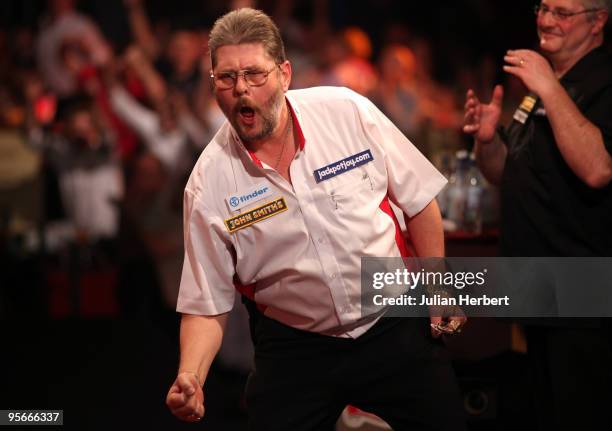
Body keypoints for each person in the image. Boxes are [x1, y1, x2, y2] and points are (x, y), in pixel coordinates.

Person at [166, 8, 466, 431]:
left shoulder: (346, 111)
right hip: (296, 348)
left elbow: (418, 200)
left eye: (254, 74)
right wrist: (191, 375)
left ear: (285, 73)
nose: (241, 90)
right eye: (226, 78)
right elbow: (205, 302)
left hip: (393, 323)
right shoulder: (207, 183)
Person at [463, 0, 612, 429]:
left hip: (584, 296)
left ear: (598, 21)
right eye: (543, 8)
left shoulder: (601, 82)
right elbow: (505, 175)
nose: (546, 21)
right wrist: (489, 142)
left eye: (562, 13)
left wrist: (549, 87)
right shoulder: (544, 86)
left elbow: (598, 169)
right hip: (535, 285)